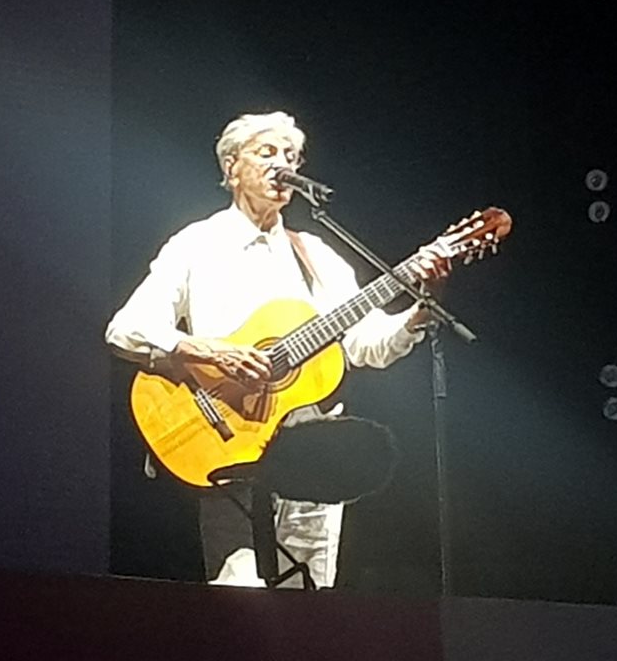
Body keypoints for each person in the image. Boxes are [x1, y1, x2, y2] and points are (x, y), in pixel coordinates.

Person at [105, 111, 448, 588]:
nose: (281, 163)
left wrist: (414, 318)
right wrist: (207, 350)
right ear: (231, 168)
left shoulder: (313, 253)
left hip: (310, 451)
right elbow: (127, 328)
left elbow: (364, 344)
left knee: (309, 601)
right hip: (226, 439)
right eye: (266, 153)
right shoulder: (197, 244)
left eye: (291, 155)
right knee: (238, 595)